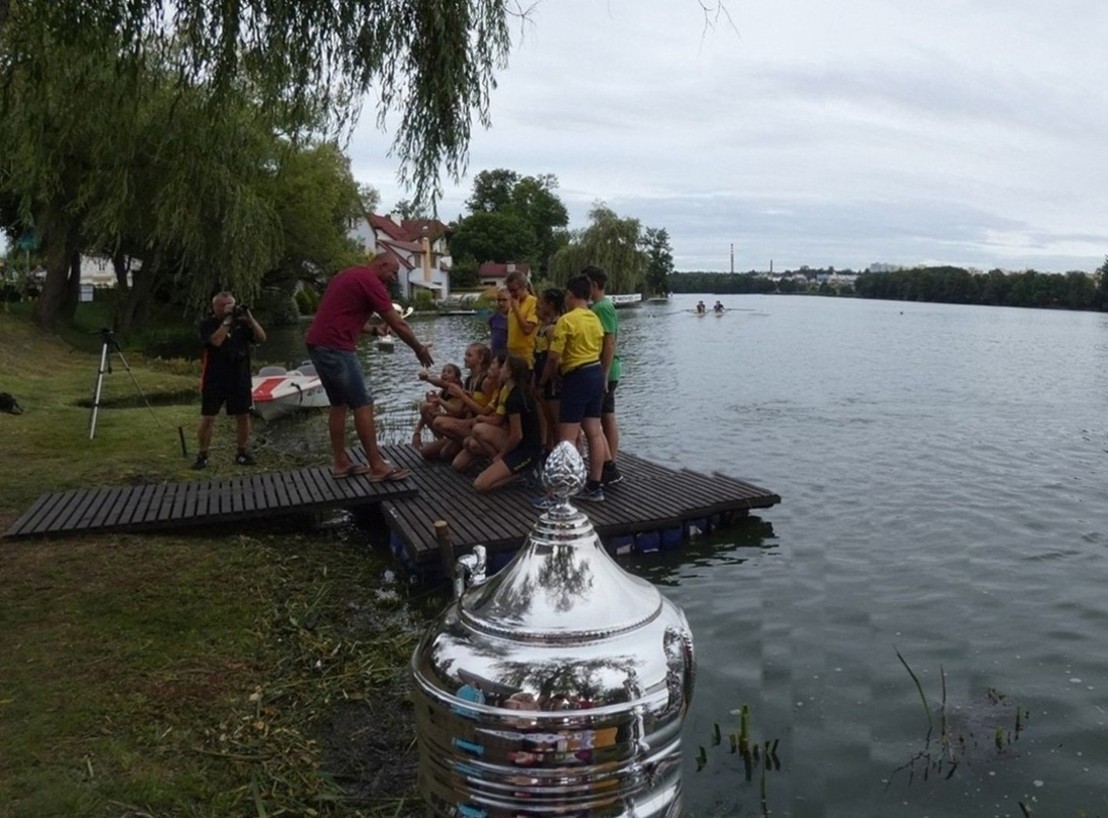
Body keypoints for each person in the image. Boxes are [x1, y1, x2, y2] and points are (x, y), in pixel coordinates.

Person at [305, 256, 434, 480]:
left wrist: (374, 330)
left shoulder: (348, 275)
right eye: (393, 273)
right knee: (363, 403)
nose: (393, 278)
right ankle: (377, 466)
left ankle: (340, 463)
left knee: (338, 403)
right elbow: (398, 323)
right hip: (336, 346)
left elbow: (340, 314)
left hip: (318, 343)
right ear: (382, 265)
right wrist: (418, 348)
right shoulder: (370, 281)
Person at [536, 275, 607, 503]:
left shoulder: (567, 320)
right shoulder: (594, 318)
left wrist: (545, 381)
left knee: (565, 439)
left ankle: (558, 493)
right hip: (596, 373)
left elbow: (553, 358)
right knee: (594, 432)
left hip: (577, 376)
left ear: (570, 294)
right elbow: (600, 348)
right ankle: (595, 486)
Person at [192, 291, 266, 469]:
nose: (228, 308)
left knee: (243, 416)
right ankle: (203, 454)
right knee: (208, 417)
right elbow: (216, 341)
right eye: (223, 306)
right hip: (215, 377)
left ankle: (242, 452)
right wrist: (227, 321)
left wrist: (250, 318)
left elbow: (261, 338)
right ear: (214, 307)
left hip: (239, 377)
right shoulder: (207, 324)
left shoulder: (242, 324)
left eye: (231, 305)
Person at [584, 266, 623, 486]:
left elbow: (609, 342)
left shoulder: (602, 308)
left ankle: (609, 464)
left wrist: (604, 374)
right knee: (607, 415)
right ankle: (610, 462)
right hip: (607, 369)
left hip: (605, 370)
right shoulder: (600, 306)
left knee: (600, 417)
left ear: (594, 284)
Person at [532, 287, 564, 455]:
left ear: (551, 305)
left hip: (550, 380)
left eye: (542, 303)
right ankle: (549, 450)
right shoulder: (543, 326)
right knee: (549, 421)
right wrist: (535, 380)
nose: (539, 306)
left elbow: (553, 359)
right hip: (540, 376)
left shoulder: (553, 328)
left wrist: (543, 382)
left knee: (556, 423)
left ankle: (561, 455)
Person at [504, 271, 539, 367]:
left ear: (524, 287)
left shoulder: (533, 303)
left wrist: (516, 310)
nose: (512, 294)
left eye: (514, 290)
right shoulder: (514, 302)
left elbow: (527, 329)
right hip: (512, 355)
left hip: (526, 357)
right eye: (509, 291)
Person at [488, 288, 509, 357]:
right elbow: (492, 336)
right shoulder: (493, 318)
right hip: (495, 355)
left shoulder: (514, 319)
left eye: (504, 300)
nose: (501, 303)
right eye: (499, 300)